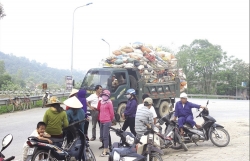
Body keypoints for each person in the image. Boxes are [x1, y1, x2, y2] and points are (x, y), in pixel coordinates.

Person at [97, 89, 114, 157]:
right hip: (101, 121)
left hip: (107, 121)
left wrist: (111, 120)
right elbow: (100, 111)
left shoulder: (109, 103)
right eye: (103, 95)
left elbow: (112, 113)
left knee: (105, 136)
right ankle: (105, 148)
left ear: (108, 96)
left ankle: (105, 151)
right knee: (101, 136)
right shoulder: (101, 102)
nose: (104, 96)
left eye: (105, 95)